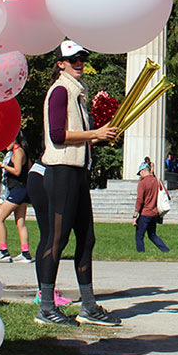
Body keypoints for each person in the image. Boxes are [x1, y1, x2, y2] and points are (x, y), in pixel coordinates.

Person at [36, 40, 121, 327]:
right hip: (61, 171)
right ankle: (46, 307)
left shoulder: (77, 93)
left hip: (77, 171)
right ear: (60, 63)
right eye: (73, 59)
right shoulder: (61, 90)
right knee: (56, 240)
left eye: (82, 58)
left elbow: (79, 136)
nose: (79, 63)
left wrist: (101, 136)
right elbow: (59, 136)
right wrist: (95, 132)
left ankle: (88, 305)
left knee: (87, 239)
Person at [26, 161, 72, 308]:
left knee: (49, 236)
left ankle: (44, 290)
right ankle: (45, 292)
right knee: (50, 236)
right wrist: (94, 136)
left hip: (43, 175)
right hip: (44, 175)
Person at [0, 132, 33, 263]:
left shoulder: (18, 152)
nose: (5, 145)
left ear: (14, 139)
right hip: (21, 190)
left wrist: (2, 165)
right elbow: (28, 169)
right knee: (20, 222)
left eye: (7, 141)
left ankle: (3, 251)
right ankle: (25, 253)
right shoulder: (21, 151)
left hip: (18, 190)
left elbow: (18, 171)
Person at [133, 163, 171, 253]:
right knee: (152, 235)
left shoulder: (142, 183)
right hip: (155, 213)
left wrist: (135, 215)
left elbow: (140, 199)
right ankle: (166, 251)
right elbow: (167, 194)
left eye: (140, 173)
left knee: (139, 235)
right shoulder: (157, 180)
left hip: (145, 213)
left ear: (142, 171)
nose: (140, 176)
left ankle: (141, 253)